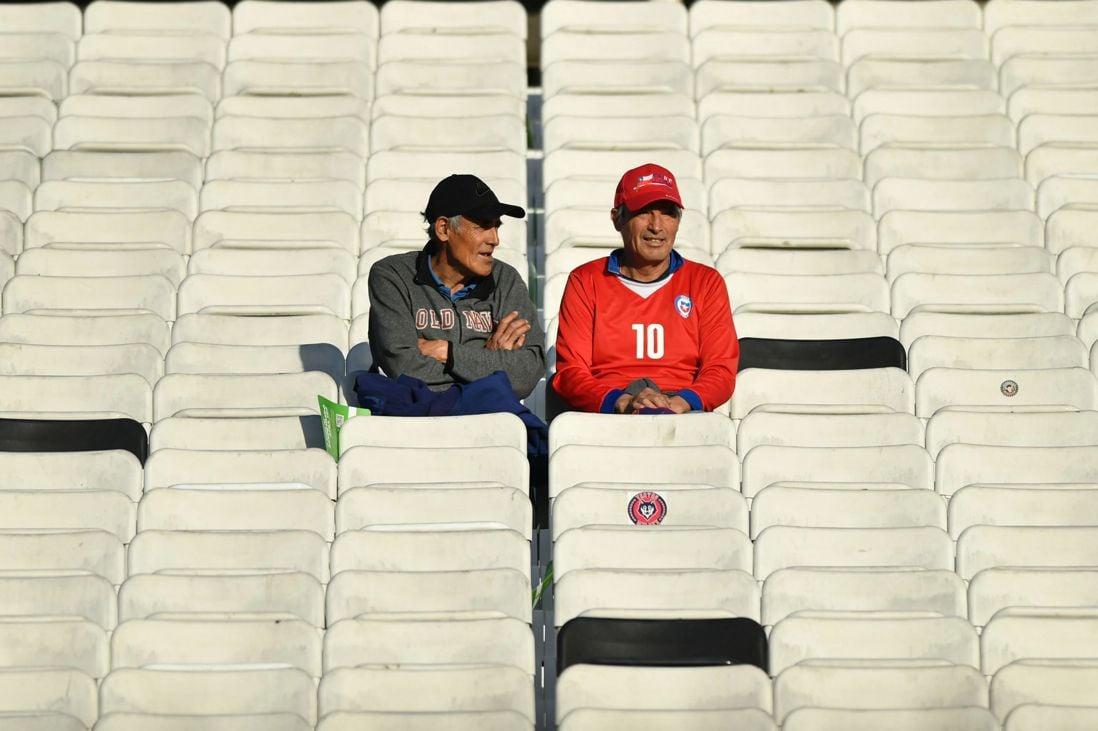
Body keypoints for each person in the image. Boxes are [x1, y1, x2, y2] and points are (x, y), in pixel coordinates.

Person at [553, 163, 739, 414]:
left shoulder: (706, 282)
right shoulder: (586, 280)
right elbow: (570, 373)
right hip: (610, 413)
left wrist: (677, 404)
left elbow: (721, 370)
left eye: (668, 213)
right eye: (643, 212)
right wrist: (623, 402)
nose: (656, 226)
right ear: (617, 219)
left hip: (683, 412)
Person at [367, 173, 545, 400]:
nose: (495, 239)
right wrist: (487, 362)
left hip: (487, 419)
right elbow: (403, 369)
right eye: (483, 226)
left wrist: (446, 351)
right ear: (443, 229)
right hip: (413, 418)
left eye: (496, 226)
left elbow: (527, 373)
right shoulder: (392, 276)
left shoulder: (506, 280)